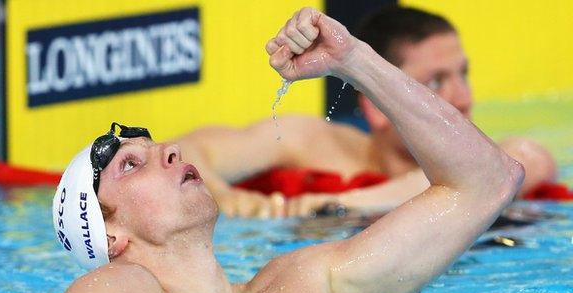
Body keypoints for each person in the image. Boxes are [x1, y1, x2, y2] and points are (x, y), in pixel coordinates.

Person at [20, 7, 524, 293]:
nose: (170, 151)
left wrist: (352, 61)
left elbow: (489, 184)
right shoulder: (124, 284)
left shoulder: (300, 280)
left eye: (158, 149)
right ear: (109, 235)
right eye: (132, 165)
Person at [176, 6, 554, 218]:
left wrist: (336, 207)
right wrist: (227, 199)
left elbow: (521, 162)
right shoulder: (320, 145)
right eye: (437, 82)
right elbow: (186, 152)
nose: (463, 97)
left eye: (463, 74)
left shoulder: (490, 158)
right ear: (374, 105)